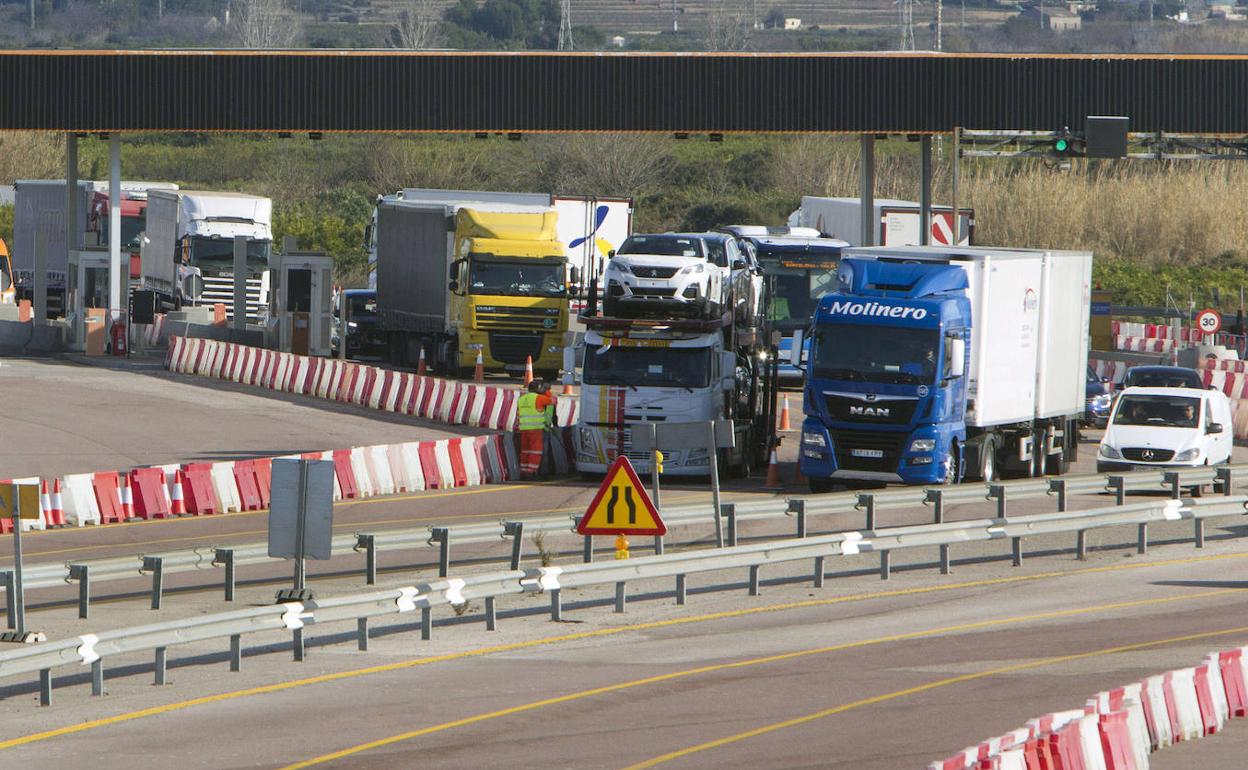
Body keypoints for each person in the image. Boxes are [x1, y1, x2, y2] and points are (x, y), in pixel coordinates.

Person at [517, 379, 558, 480]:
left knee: (525, 451)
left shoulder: (521, 399)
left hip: (524, 429)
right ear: (539, 389)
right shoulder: (539, 398)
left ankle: (524, 472)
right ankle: (531, 472)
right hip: (536, 429)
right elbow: (552, 401)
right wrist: (547, 391)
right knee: (536, 452)